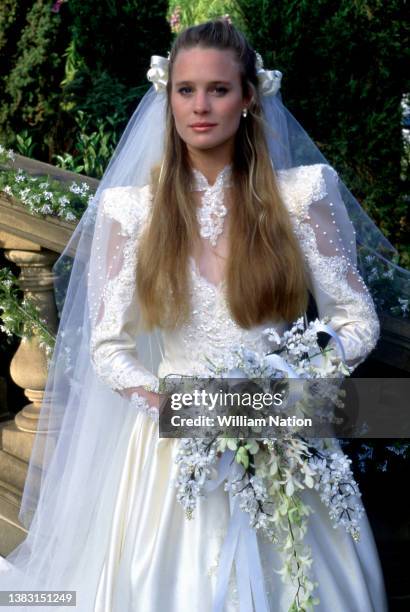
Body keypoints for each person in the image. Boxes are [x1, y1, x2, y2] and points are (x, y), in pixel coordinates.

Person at [0, 18, 392, 612]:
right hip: (170, 452)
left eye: (219, 89)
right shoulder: (129, 211)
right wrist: (167, 401)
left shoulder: (303, 195)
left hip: (285, 430)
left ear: (249, 97)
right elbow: (108, 345)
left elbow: (358, 320)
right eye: (187, 90)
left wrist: (289, 385)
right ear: (168, 97)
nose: (201, 106)